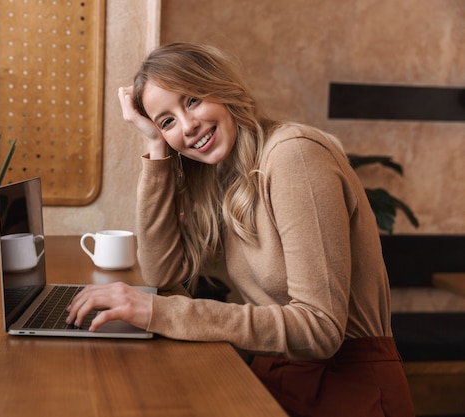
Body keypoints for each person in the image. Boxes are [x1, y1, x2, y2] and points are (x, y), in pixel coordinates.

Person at [66, 42, 414, 417]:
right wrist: (155, 146)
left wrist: (161, 313)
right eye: (166, 121)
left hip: (347, 392)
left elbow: (319, 329)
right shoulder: (225, 174)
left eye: (192, 100)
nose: (187, 126)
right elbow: (161, 271)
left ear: (222, 88)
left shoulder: (294, 156)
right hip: (275, 378)